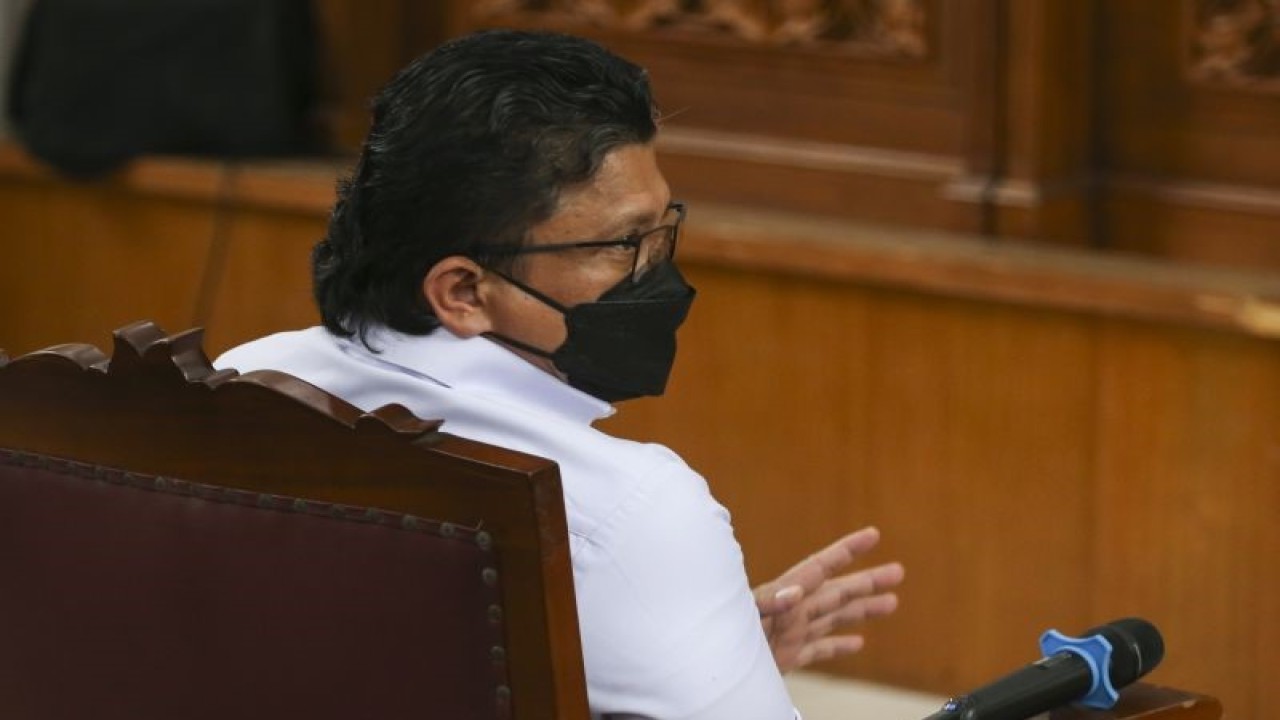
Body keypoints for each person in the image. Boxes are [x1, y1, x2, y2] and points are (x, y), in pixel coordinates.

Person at [215, 28, 904, 719]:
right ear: (462, 292)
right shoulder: (628, 509)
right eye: (623, 244)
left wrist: (700, 658)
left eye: (663, 230)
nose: (655, 270)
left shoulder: (239, 379)